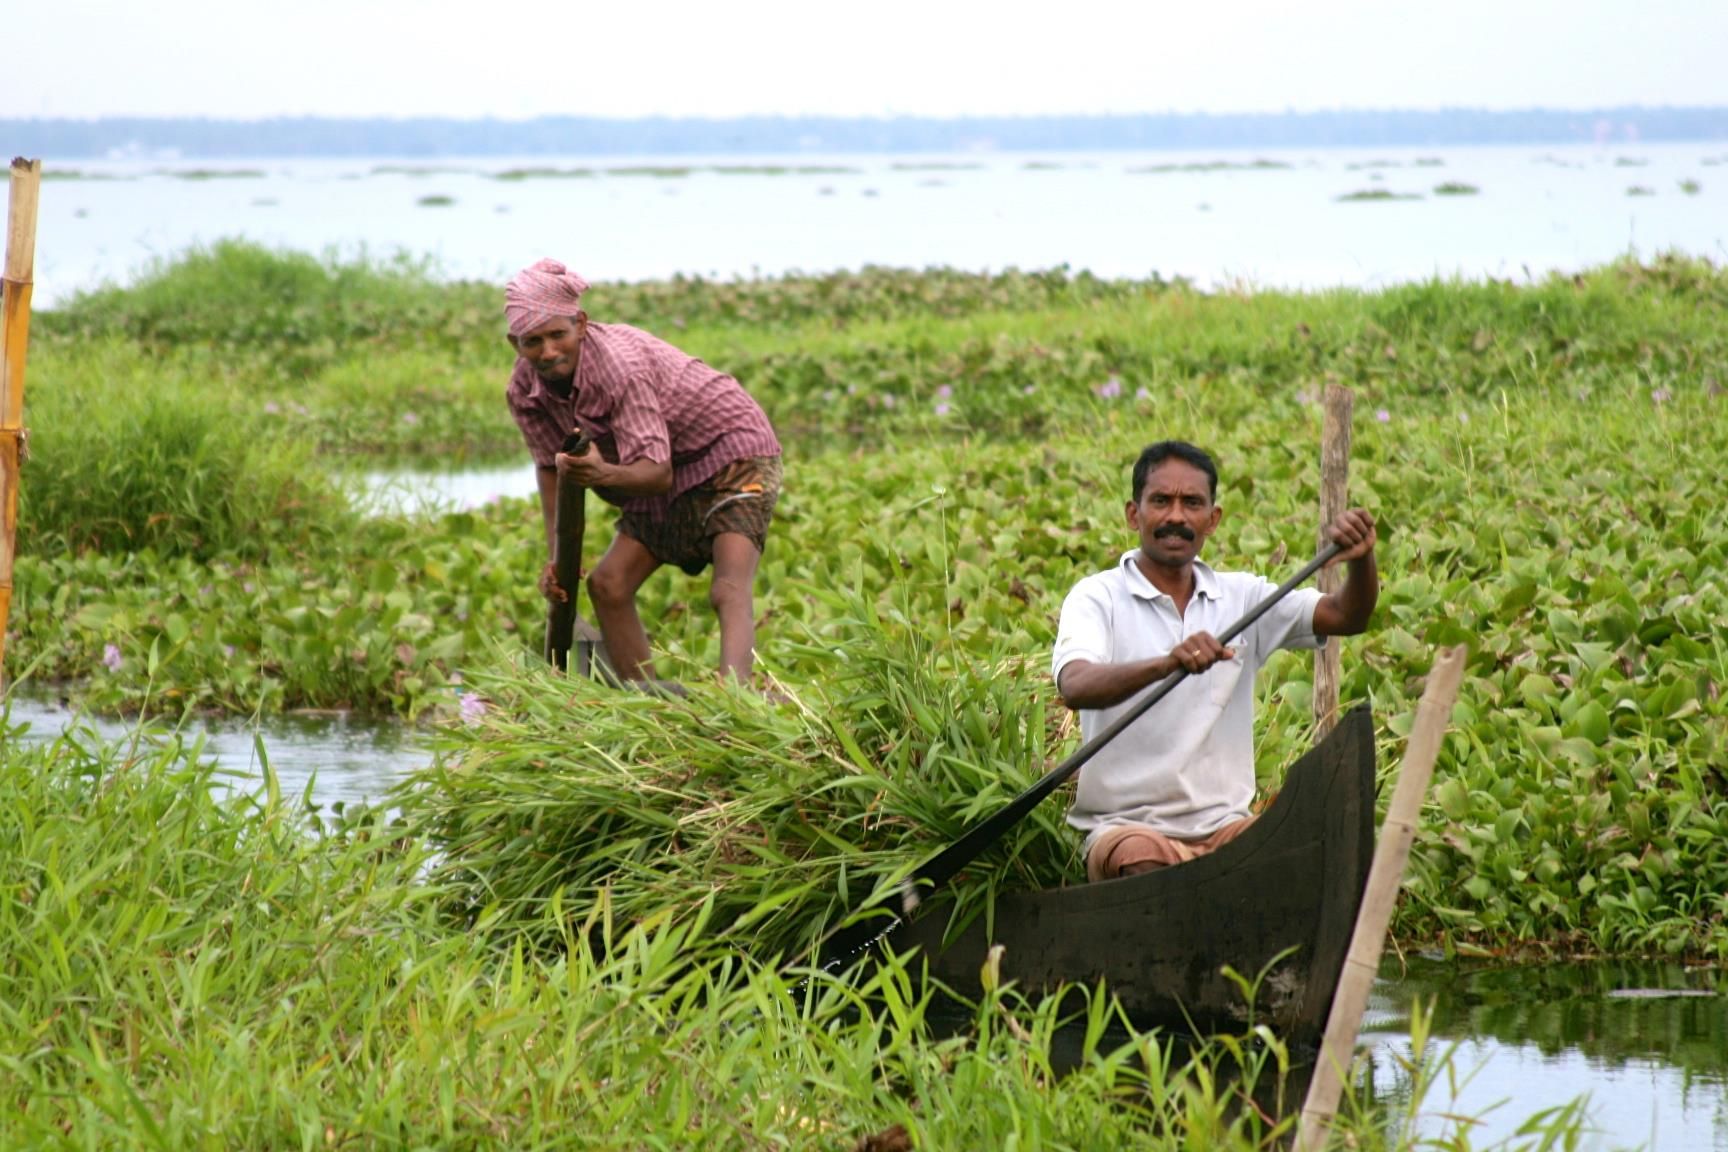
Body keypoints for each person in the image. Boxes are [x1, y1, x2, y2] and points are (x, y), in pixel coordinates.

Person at [1051, 440, 1378, 882]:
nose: (1176, 517)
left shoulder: (1243, 597)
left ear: (1213, 519)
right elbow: (1075, 685)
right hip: (1126, 827)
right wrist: (1166, 664)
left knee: (1288, 855)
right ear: (1134, 514)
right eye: (1161, 501)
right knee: (1142, 862)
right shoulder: (1097, 597)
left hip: (1225, 827)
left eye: (1192, 504)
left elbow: (1346, 615)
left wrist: (1362, 561)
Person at [503, 258, 782, 683]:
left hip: (729, 452)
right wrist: (557, 561)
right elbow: (549, 466)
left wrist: (600, 475)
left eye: (558, 335)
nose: (548, 352)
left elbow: (656, 474)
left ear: (580, 323)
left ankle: (736, 705)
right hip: (653, 473)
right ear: (514, 343)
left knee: (728, 588)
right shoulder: (524, 390)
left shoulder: (619, 367)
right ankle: (646, 705)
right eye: (532, 342)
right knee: (608, 584)